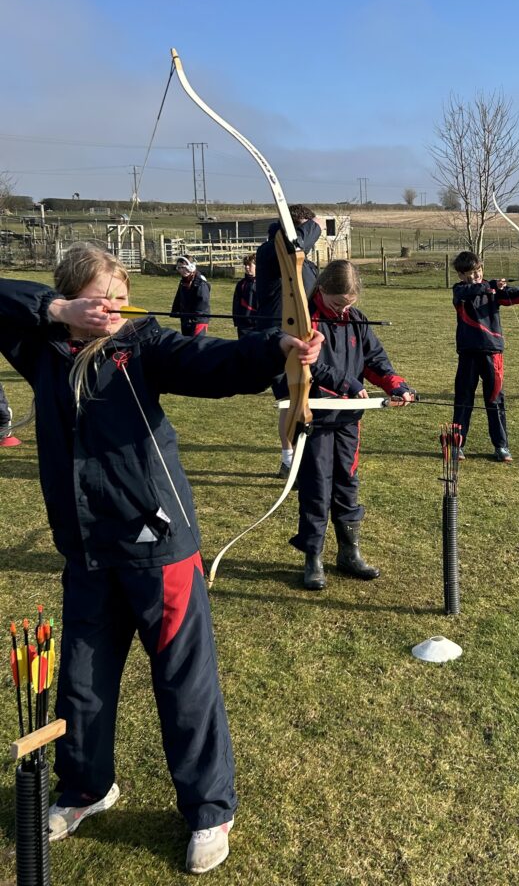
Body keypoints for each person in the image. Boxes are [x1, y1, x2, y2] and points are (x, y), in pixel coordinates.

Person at [0, 244, 322, 874]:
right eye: (100, 298)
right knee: (83, 682)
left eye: (120, 295)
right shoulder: (40, 348)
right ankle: (86, 788)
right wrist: (57, 309)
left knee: (183, 677)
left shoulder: (141, 344)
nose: (113, 307)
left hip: (158, 541)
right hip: (87, 548)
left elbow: (209, 360)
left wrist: (276, 350)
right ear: (70, 299)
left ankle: (208, 809)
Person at [284, 259, 415, 590]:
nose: (344, 310)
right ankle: (312, 556)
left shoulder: (355, 320)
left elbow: (374, 360)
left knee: (347, 481)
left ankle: (348, 553)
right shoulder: (305, 320)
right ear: (323, 290)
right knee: (317, 487)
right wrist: (348, 385)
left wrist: (395, 384)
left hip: (348, 420)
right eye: (338, 303)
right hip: (314, 417)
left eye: (350, 304)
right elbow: (311, 368)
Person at [451, 251, 519, 462]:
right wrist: (490, 285)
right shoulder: (460, 290)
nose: (475, 276)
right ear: (460, 275)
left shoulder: (492, 289)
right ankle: (457, 445)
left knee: (495, 400)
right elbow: (470, 292)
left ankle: (501, 446)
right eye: (469, 274)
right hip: (468, 352)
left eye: (478, 272)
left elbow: (516, 295)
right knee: (463, 399)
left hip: (492, 352)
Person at [254, 205, 321, 476]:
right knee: (290, 397)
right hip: (278, 336)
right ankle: (288, 458)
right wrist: (315, 224)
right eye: (306, 227)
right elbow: (297, 243)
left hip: (303, 335)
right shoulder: (271, 250)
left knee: (305, 395)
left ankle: (304, 455)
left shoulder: (300, 257)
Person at [172, 256, 211, 336]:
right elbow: (179, 297)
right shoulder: (183, 281)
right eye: (179, 268)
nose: (181, 270)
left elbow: (202, 303)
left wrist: (194, 319)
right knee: (187, 345)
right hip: (186, 319)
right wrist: (176, 311)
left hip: (198, 320)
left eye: (183, 267)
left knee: (195, 345)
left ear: (191, 267)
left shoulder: (200, 282)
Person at [231, 253, 259, 337]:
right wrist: (237, 320)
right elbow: (236, 303)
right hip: (244, 325)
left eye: (249, 265)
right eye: (245, 265)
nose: (246, 267)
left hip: (258, 324)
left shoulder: (263, 284)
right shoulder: (241, 284)